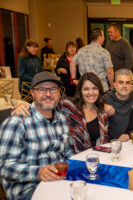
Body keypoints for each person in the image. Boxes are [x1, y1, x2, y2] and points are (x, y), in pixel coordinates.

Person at [0, 71, 74, 200]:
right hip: (28, 189)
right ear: (32, 93)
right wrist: (38, 172)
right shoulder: (17, 122)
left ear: (59, 93)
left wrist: (80, 165)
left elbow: (66, 151)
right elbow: (4, 166)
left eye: (53, 89)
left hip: (59, 181)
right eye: (41, 89)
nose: (48, 94)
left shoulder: (61, 119)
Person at [12, 72, 110, 154]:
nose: (91, 92)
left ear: (99, 90)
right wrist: (23, 105)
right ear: (80, 91)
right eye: (86, 89)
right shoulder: (68, 105)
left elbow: (105, 142)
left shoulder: (102, 113)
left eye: (94, 88)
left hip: (96, 159)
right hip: (72, 158)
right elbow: (44, 102)